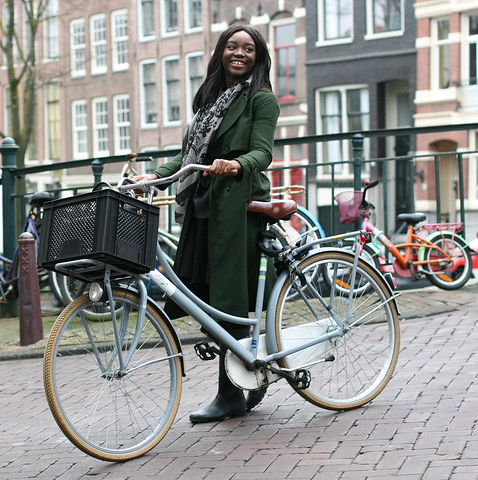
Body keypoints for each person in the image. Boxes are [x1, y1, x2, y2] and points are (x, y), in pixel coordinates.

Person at [132, 24, 280, 424]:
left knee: (230, 300)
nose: (239, 53)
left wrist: (237, 164)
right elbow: (187, 156)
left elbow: (262, 152)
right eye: (232, 46)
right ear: (221, 52)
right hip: (204, 204)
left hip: (237, 204)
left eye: (248, 49)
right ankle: (248, 378)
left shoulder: (261, 100)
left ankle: (231, 394)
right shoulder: (210, 100)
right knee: (204, 293)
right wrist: (153, 176)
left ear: (258, 56)